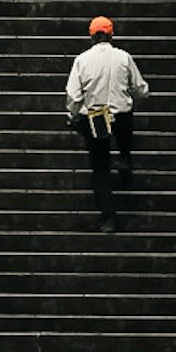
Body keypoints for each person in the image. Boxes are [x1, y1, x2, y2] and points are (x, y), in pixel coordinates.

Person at [65, 15, 148, 228]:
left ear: (91, 36)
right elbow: (140, 88)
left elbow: (74, 96)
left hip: (96, 118)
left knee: (100, 167)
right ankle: (125, 160)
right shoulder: (124, 57)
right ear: (111, 35)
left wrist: (73, 116)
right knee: (124, 138)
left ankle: (108, 216)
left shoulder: (82, 60)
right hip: (121, 114)